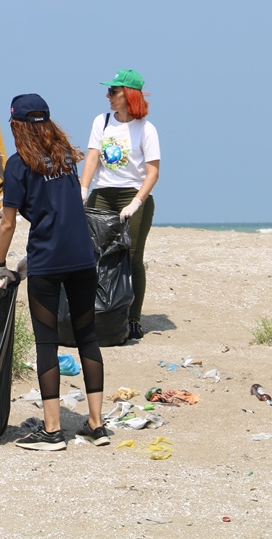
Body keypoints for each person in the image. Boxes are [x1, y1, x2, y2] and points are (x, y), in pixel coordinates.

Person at [0, 94, 109, 451]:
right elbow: (64, 210)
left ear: (16, 126)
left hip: (46, 263)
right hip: (82, 260)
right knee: (86, 336)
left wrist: (1, 265)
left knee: (47, 342)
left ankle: (53, 431)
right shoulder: (65, 160)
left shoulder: (16, 166)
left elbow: (8, 224)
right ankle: (96, 425)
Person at [80, 69, 161, 341]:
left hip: (132, 196)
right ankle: (98, 312)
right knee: (96, 256)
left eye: (113, 91)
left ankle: (133, 318)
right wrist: (83, 189)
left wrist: (137, 202)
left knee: (131, 257)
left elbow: (152, 172)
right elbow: (92, 158)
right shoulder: (101, 122)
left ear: (128, 95)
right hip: (102, 194)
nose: (108, 96)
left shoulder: (146, 129)